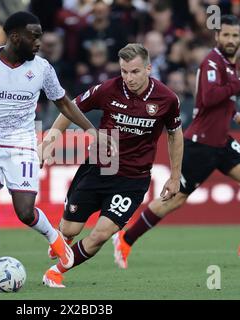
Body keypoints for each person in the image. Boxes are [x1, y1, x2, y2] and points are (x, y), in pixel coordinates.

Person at [0, 11, 108, 293]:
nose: (40, 41)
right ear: (15, 37)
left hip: (22, 145)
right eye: (34, 36)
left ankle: (54, 238)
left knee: (24, 212)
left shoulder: (42, 69)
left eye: (40, 35)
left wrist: (91, 130)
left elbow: (63, 102)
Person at [112, 15, 240, 270]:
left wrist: (236, 115)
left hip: (221, 141)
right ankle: (125, 238)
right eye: (226, 35)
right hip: (201, 144)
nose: (231, 40)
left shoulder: (228, 63)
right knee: (174, 200)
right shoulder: (212, 62)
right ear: (217, 36)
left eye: (235, 35)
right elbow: (209, 98)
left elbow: (222, 100)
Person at [39, 43, 184, 288]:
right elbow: (69, 108)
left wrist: (174, 176)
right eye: (124, 72)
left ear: (149, 68)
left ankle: (56, 271)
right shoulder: (108, 89)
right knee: (70, 229)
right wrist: (49, 142)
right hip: (101, 166)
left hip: (133, 178)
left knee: (101, 234)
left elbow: (174, 135)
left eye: (135, 72)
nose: (128, 78)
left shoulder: (167, 99)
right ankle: (62, 238)